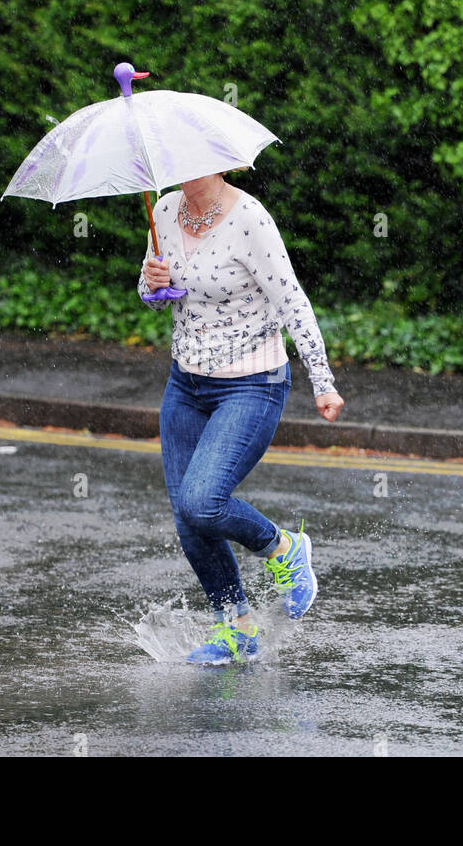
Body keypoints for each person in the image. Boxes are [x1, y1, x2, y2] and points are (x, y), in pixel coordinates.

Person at [138, 169, 345, 664]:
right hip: (184, 384)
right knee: (189, 521)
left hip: (252, 383)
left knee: (203, 501)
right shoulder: (163, 211)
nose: (182, 168)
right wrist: (151, 284)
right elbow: (152, 290)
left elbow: (292, 300)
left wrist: (322, 378)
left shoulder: (250, 218)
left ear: (219, 163)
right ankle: (238, 627)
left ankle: (284, 549)